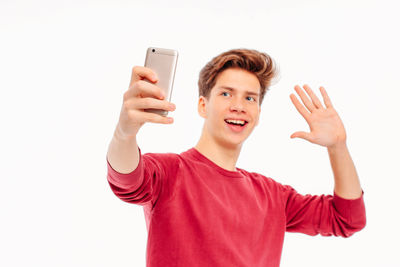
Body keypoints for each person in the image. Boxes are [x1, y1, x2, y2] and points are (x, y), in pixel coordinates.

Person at [106, 48, 366, 267]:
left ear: (258, 113)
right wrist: (124, 133)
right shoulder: (170, 172)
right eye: (226, 93)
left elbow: (347, 219)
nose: (239, 105)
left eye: (250, 98)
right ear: (203, 105)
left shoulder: (273, 195)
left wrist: (338, 147)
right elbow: (127, 180)